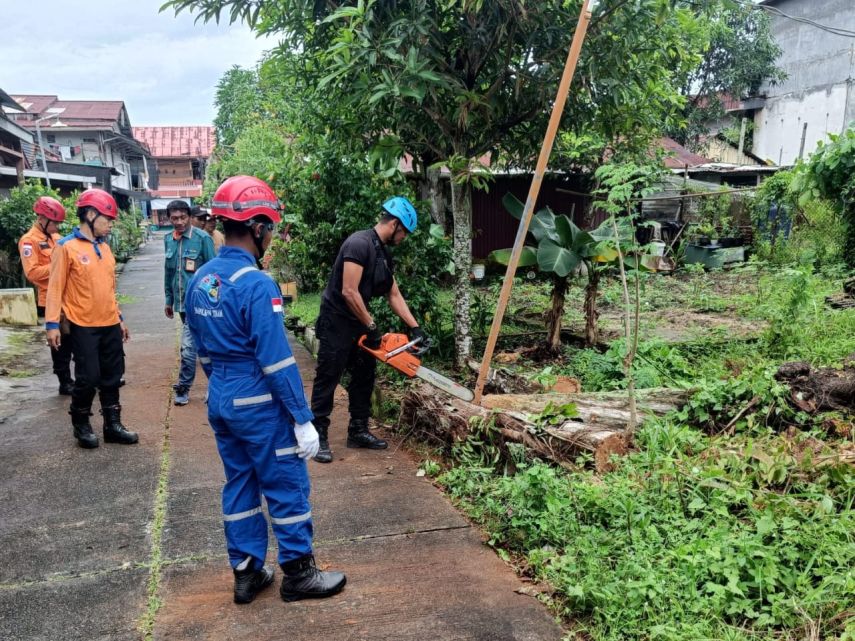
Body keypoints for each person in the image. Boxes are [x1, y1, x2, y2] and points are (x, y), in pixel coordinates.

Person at [184, 175, 346, 604]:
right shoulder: (256, 284)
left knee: (239, 482)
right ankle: (298, 573)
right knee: (285, 482)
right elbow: (277, 362)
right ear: (257, 227)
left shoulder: (200, 280)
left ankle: (246, 572)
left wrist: (221, 384)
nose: (271, 236)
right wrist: (302, 418)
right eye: (270, 227)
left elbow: (200, 348)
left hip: (221, 394)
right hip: (257, 398)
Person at [310, 196, 428, 463]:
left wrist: (415, 327)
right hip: (338, 321)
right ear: (395, 224)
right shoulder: (358, 244)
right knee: (328, 376)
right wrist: (371, 325)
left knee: (365, 374)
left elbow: (393, 294)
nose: (404, 238)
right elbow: (349, 292)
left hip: (359, 324)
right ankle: (318, 434)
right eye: (405, 233)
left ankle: (358, 430)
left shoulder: (382, 254)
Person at [46, 188, 138, 449]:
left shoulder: (105, 248)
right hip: (83, 325)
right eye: (107, 219)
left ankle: (113, 425)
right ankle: (81, 424)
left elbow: (109, 289)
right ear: (89, 214)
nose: (110, 224)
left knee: (113, 374)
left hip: (109, 322)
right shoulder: (66, 248)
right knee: (88, 377)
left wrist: (119, 318)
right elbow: (55, 288)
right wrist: (52, 324)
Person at [19, 196, 74, 394]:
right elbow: (32, 273)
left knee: (75, 338)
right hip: (49, 299)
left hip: (68, 297)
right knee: (60, 342)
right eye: (55, 222)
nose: (57, 226)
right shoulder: (29, 241)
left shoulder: (57, 238)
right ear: (42, 218)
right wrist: (58, 267)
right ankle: (64, 381)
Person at [164, 200, 215, 406]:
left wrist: (214, 302)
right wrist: (168, 299)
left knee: (194, 348)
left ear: (189, 218)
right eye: (174, 218)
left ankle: (186, 388)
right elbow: (168, 272)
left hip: (201, 305)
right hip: (182, 305)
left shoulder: (202, 239)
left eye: (183, 217)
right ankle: (191, 387)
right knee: (195, 348)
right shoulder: (169, 239)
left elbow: (213, 272)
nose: (179, 222)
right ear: (169, 218)